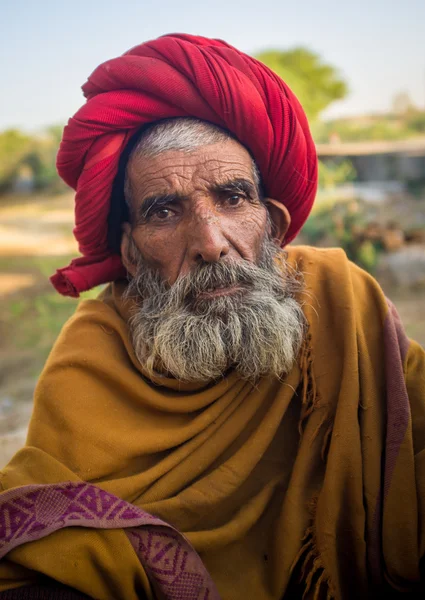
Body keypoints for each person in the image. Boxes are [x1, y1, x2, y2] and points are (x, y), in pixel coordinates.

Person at [0, 34, 424, 600]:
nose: (210, 242)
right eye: (165, 210)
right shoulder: (94, 357)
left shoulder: (341, 302)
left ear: (271, 226)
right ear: (130, 253)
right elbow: (44, 537)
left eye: (232, 198)